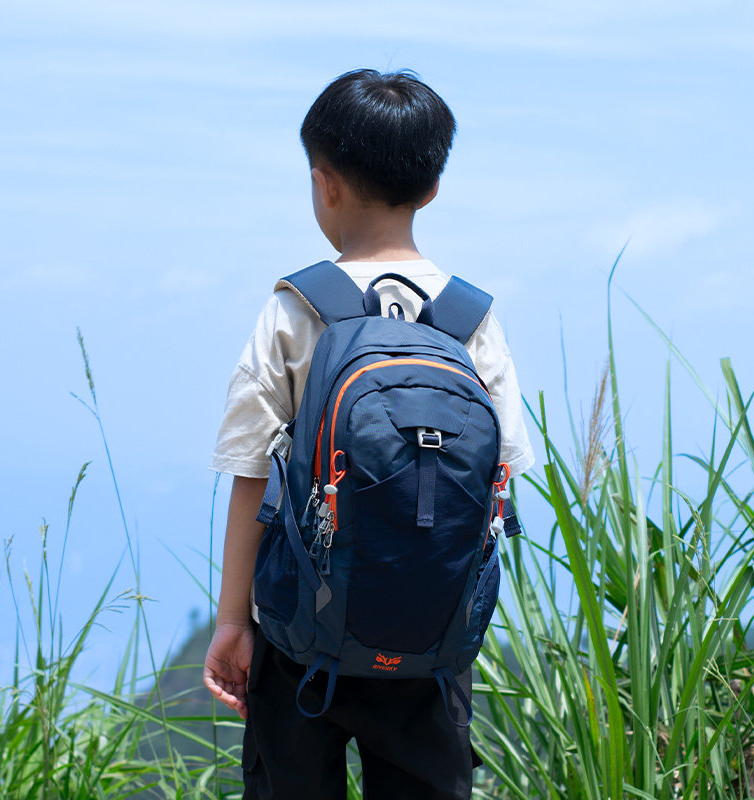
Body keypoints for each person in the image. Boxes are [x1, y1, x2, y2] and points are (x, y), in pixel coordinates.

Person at [203, 69, 534, 800]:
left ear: (324, 183)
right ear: (432, 188)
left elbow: (250, 473)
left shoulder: (296, 310)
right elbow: (500, 472)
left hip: (300, 639)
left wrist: (234, 622)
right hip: (430, 643)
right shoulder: (470, 317)